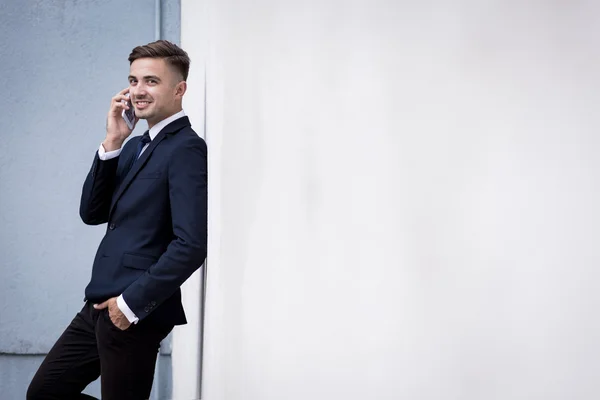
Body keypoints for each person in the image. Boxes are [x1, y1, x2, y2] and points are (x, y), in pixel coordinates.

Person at [27, 40, 207, 400]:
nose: (139, 90)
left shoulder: (185, 147)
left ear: (179, 89)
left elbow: (191, 244)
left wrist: (129, 305)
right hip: (97, 307)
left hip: (133, 311)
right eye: (134, 80)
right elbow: (92, 213)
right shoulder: (137, 146)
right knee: (45, 393)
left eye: (151, 81)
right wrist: (112, 142)